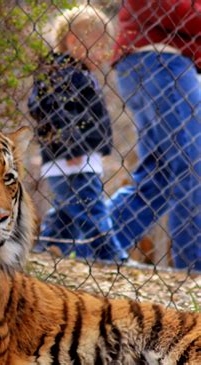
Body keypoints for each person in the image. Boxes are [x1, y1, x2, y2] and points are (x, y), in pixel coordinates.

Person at [28, 6, 128, 262]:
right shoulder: (66, 74)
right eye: (99, 44)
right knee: (92, 210)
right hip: (73, 159)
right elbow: (58, 112)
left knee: (65, 214)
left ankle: (46, 250)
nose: (105, 53)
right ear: (74, 41)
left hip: (73, 157)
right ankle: (112, 257)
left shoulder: (75, 73)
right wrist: (71, 146)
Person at [108, 0, 201, 271]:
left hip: (155, 62)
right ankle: (194, 270)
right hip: (161, 61)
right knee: (193, 165)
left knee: (157, 175)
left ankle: (94, 243)